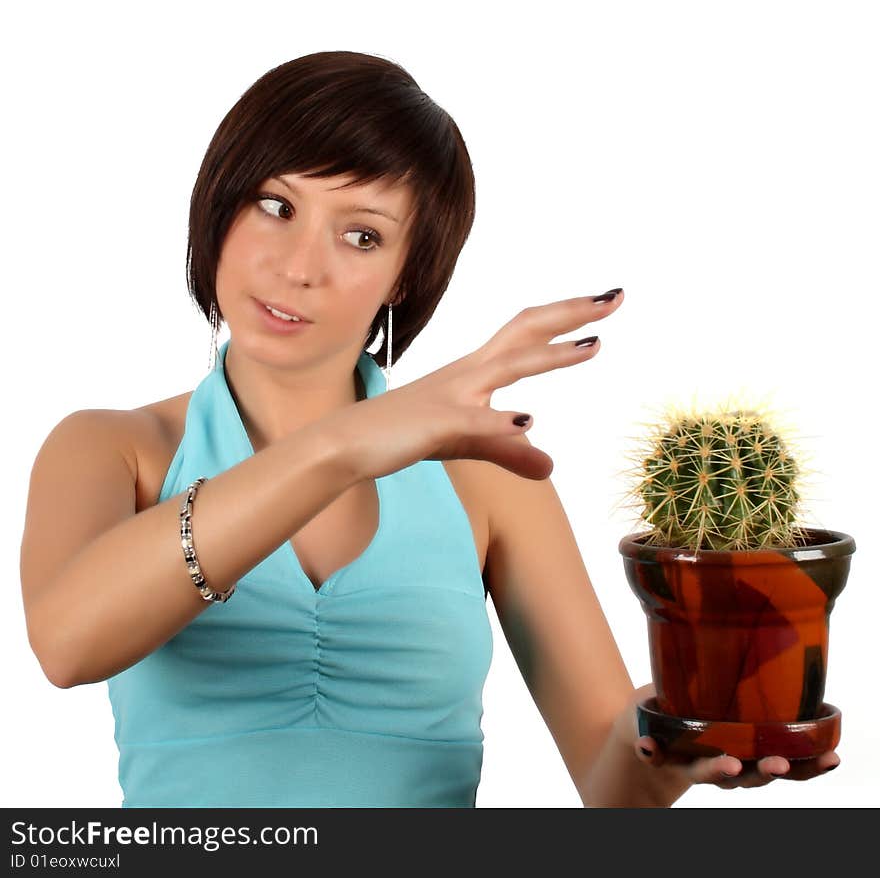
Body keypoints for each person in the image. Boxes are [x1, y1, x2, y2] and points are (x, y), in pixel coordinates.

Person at [19, 50, 840, 807]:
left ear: (405, 275)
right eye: (275, 205)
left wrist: (688, 738)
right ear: (219, 203)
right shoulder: (109, 448)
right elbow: (67, 647)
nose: (299, 265)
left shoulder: (480, 477)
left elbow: (607, 775)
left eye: (361, 234)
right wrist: (343, 446)